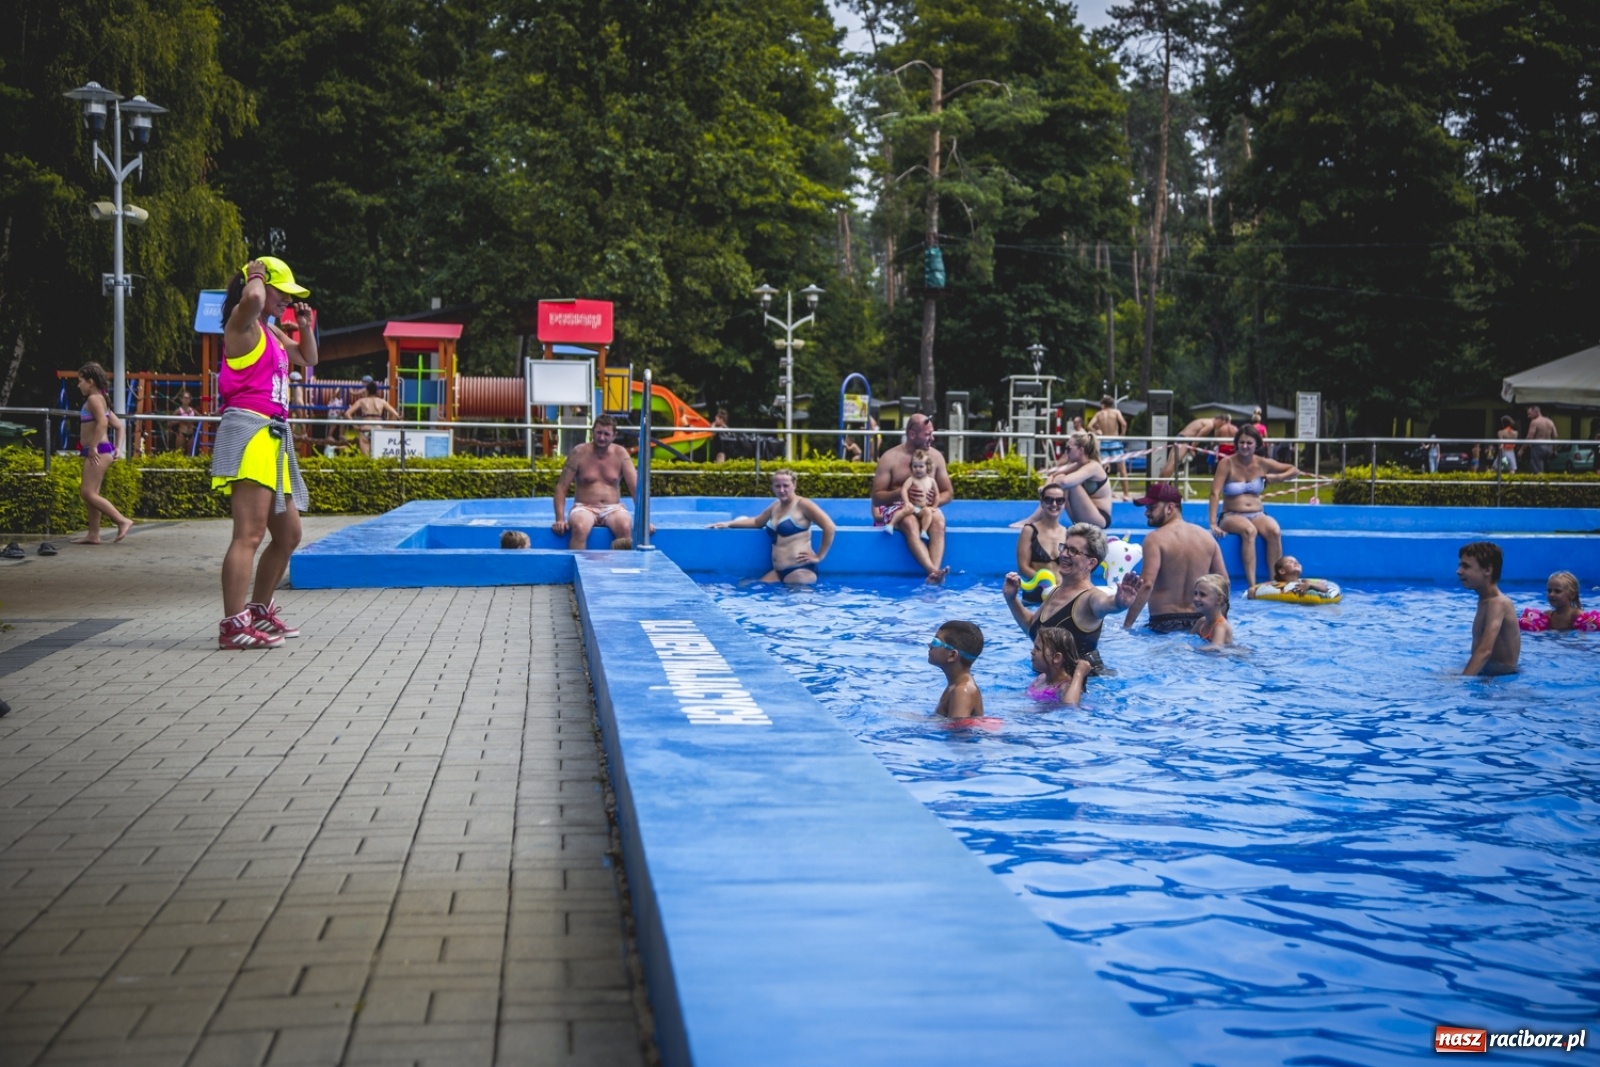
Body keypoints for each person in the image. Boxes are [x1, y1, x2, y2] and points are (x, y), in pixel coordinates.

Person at [212, 256, 317, 649]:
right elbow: (253, 299)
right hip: (250, 432)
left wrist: (304, 327)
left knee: (288, 534)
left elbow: (308, 358)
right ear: (258, 285)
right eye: (281, 291)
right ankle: (233, 626)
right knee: (249, 534)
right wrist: (254, 274)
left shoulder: (271, 331)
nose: (286, 299)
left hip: (273, 437)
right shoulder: (241, 323)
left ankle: (258, 610)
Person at [1003, 522, 1140, 671]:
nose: (1063, 554)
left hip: (1086, 682)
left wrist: (1119, 603)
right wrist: (1011, 599)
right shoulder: (1055, 591)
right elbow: (1033, 629)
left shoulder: (1090, 597)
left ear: (1091, 563)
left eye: (1073, 551)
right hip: (1050, 680)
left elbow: (1106, 603)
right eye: (1065, 547)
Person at [1121, 482, 1228, 631]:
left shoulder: (1155, 539)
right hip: (1199, 625)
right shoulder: (1207, 538)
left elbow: (1147, 584)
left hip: (1163, 624)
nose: (1146, 513)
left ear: (1170, 508)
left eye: (1151, 507)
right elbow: (1224, 582)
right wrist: (1219, 623)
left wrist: (1127, 625)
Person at [1208, 424, 1301, 587]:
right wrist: (1213, 524)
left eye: (1249, 443)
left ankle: (1275, 582)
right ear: (1236, 444)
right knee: (1249, 531)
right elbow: (1214, 493)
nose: (1245, 446)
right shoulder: (1227, 463)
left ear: (1257, 444)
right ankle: (1252, 584)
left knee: (1274, 531)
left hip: (1257, 513)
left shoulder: (1262, 463)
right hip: (1231, 515)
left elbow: (1294, 470)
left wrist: (1277, 478)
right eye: (1241, 442)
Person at [708, 469, 836, 584]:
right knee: (745, 586)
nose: (781, 490)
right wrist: (729, 523)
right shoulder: (775, 506)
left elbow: (829, 527)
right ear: (773, 487)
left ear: (794, 485)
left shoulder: (803, 505)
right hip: (778, 572)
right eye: (777, 486)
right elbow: (757, 522)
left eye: (786, 486)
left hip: (800, 571)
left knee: (795, 602)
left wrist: (819, 556)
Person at [870, 413, 953, 583]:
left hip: (925, 508)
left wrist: (933, 503)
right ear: (912, 434)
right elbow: (876, 498)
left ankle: (934, 575)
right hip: (898, 507)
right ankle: (933, 571)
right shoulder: (890, 458)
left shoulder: (936, 457)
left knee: (938, 521)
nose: (932, 438)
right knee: (909, 522)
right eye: (927, 434)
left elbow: (948, 493)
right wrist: (901, 493)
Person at [553, 414, 638, 550]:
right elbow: (561, 487)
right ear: (593, 432)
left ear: (614, 435)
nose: (602, 438)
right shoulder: (579, 452)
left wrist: (644, 521)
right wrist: (560, 519)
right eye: (599, 432)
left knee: (625, 526)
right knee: (579, 527)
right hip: (584, 507)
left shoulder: (621, 454)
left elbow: (635, 488)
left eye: (606, 434)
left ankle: (624, 563)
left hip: (613, 508)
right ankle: (577, 563)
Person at [72, 362, 134, 545]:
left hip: (97, 451)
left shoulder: (94, 399)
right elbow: (118, 426)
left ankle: (122, 520)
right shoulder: (101, 399)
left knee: (87, 493)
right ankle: (93, 534)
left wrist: (92, 446)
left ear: (90, 381)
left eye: (80, 381)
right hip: (102, 450)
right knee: (93, 494)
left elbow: (103, 423)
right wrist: (118, 448)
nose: (78, 385)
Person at [1458, 541, 1519, 676]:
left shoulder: (1498, 603)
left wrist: (1463, 680)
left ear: (1487, 570)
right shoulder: (1484, 601)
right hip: (1487, 672)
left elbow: (1485, 650)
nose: (1459, 571)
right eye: (1460, 565)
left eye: (1466, 566)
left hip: (1501, 678)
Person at [1038, 431, 1113, 528]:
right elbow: (1053, 475)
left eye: (1068, 448)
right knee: (1061, 483)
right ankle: (1042, 519)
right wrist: (1046, 489)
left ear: (1081, 450)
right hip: (1082, 516)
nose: (1066, 452)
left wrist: (1045, 491)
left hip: (1100, 518)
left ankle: (1038, 519)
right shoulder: (1078, 465)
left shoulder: (1094, 466)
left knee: (1070, 484)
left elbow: (1064, 481)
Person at [1014, 485, 1070, 604]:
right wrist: (1048, 583)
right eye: (1048, 500)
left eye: (1059, 500)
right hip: (1034, 597)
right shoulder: (1029, 531)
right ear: (1042, 503)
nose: (1054, 504)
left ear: (1064, 503)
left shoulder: (1069, 534)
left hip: (1061, 597)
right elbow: (1023, 567)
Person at [929, 620, 984, 719]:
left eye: (935, 642)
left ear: (952, 655)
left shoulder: (962, 691)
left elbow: (958, 728)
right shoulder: (955, 685)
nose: (930, 645)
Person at [1026, 627, 1093, 706]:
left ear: (1056, 658)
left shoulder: (1065, 686)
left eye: (1038, 649)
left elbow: (1070, 705)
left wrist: (1079, 674)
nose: (1032, 652)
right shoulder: (1041, 678)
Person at [1519, 571, 1600, 633]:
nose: (1551, 594)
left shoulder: (1578, 616)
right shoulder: (1547, 616)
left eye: (1557, 591)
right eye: (1549, 591)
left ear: (1572, 595)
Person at [345, 377, 402, 457]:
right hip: (378, 430)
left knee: (366, 458)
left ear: (367, 391)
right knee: (377, 457)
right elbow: (396, 415)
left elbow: (347, 413)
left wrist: (355, 426)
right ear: (376, 391)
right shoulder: (382, 401)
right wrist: (389, 426)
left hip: (365, 430)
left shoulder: (362, 401)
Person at [1089, 396, 1130, 496]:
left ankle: (1106, 493)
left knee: (1104, 470)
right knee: (1122, 469)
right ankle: (1126, 494)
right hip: (1115, 441)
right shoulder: (1116, 412)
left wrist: (1097, 433)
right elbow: (1124, 424)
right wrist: (1122, 435)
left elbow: (1089, 426)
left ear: (1103, 404)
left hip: (1104, 441)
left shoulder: (1099, 414)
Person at [896, 450, 941, 540]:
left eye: (921, 466)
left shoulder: (931, 481)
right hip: (913, 507)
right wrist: (907, 502)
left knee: (928, 512)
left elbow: (937, 495)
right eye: (915, 466)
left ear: (928, 467)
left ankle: (924, 531)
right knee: (904, 511)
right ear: (911, 467)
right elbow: (904, 490)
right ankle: (892, 523)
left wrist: (934, 507)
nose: (917, 469)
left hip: (924, 508)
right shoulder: (911, 479)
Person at [1248, 555, 1330, 599]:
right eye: (1290, 562)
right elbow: (1257, 588)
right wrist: (1253, 590)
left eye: (1297, 562)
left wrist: (1309, 584)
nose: (1296, 563)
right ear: (1282, 571)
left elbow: (1325, 589)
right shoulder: (1275, 585)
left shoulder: (1305, 582)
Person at [1190, 573, 1234, 648]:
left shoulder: (1220, 626)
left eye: (1202, 595)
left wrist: (1192, 649)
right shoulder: (1201, 622)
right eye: (1195, 593)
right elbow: (1188, 639)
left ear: (1219, 600)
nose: (1196, 598)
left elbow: (1216, 648)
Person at [1525, 406, 1557, 473]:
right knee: (1547, 467)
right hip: (1549, 447)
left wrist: (1522, 449)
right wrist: (1554, 449)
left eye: (1530, 414)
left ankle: (1538, 478)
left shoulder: (1534, 422)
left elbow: (1529, 436)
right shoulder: (1550, 421)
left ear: (1536, 412)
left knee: (1537, 469)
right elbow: (1555, 435)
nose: (1528, 416)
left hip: (1538, 447)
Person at [170, 390, 199, 455]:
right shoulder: (178, 410)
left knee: (190, 454)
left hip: (191, 434)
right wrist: (180, 420)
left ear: (190, 399)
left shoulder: (193, 410)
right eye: (184, 398)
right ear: (181, 399)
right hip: (181, 434)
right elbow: (170, 423)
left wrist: (193, 420)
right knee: (179, 453)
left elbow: (201, 418)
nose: (186, 400)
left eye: (188, 398)